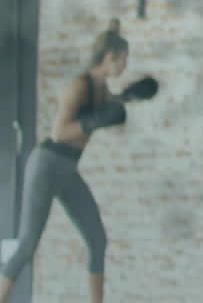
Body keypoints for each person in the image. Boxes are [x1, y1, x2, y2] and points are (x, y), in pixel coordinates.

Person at [0, 19, 157, 303]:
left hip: (67, 170)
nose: (124, 66)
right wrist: (97, 120)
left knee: (97, 241)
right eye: (123, 60)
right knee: (26, 246)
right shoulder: (78, 85)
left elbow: (111, 105)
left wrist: (130, 96)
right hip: (47, 164)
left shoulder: (102, 88)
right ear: (110, 57)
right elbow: (60, 132)